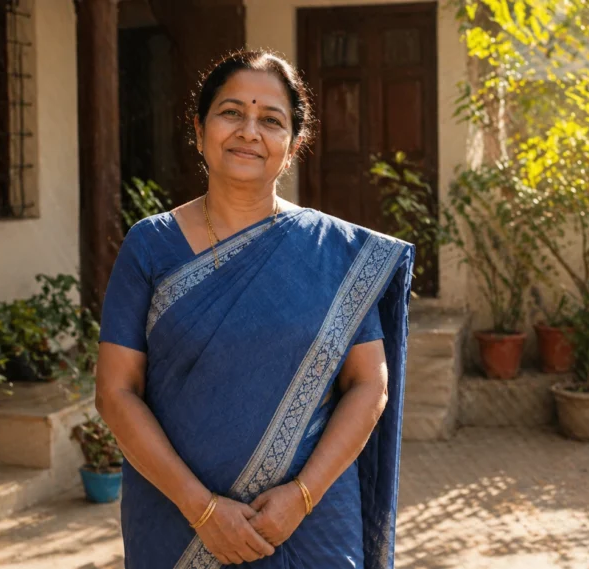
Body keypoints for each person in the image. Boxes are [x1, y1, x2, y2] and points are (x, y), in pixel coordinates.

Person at [95, 50, 415, 569]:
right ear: (199, 131)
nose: (249, 130)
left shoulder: (333, 253)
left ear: (291, 145)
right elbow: (115, 391)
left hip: (311, 522)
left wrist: (303, 496)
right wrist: (201, 509)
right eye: (231, 112)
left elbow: (369, 383)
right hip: (176, 519)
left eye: (271, 120)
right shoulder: (151, 247)